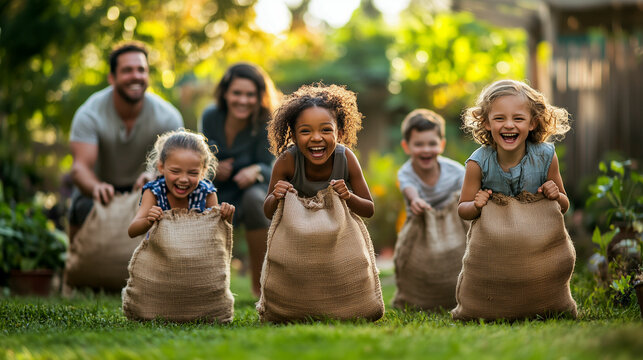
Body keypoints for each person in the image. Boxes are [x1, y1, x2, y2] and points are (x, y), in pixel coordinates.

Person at [68, 41, 183, 241]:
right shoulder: (90, 113)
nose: (136, 76)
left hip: (147, 189)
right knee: (80, 206)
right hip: (102, 189)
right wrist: (96, 187)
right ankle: (75, 267)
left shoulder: (168, 116)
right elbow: (80, 168)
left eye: (141, 70)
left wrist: (153, 177)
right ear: (112, 78)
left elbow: (178, 166)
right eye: (127, 70)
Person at [200, 63, 279, 297]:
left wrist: (256, 170)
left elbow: (273, 166)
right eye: (237, 93)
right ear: (225, 93)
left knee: (256, 199)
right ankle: (205, 285)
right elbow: (200, 158)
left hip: (250, 195)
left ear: (259, 97)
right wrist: (213, 167)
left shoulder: (266, 123)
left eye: (250, 95)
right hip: (216, 191)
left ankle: (260, 286)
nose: (243, 100)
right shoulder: (210, 116)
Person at [458, 79, 571, 220]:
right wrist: (476, 205)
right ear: (486, 123)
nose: (509, 125)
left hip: (537, 237)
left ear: (532, 123)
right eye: (499, 118)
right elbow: (462, 209)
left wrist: (556, 196)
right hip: (496, 238)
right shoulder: (478, 163)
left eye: (518, 119)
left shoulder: (545, 156)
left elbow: (564, 206)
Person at [264, 83, 374, 219]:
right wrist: (276, 196)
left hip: (338, 233)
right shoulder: (288, 161)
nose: (316, 138)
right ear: (294, 137)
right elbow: (268, 213)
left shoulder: (346, 158)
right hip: (299, 233)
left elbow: (369, 210)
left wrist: (348, 196)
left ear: (339, 134)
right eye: (305, 131)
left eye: (326, 130)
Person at [128, 130, 235, 238]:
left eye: (193, 173)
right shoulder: (154, 192)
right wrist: (148, 221)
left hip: (196, 252)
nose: (183, 179)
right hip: (160, 252)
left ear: (203, 172)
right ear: (161, 167)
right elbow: (132, 231)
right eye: (175, 171)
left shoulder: (206, 193)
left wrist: (226, 218)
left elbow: (217, 233)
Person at [398, 109, 465, 216]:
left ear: (442, 145)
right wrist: (415, 200)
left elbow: (468, 194)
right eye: (419, 144)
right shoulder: (406, 172)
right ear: (406, 147)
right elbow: (409, 188)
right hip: (422, 223)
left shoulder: (457, 172)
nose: (426, 150)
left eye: (432, 144)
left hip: (453, 223)